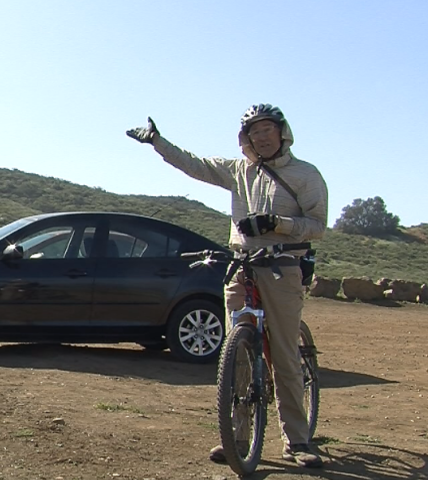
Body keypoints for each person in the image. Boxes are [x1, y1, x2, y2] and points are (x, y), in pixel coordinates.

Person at [127, 104, 328, 469]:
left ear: (282, 132)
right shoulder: (239, 171)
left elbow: (317, 225)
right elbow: (195, 164)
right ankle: (238, 438)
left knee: (282, 355)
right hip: (242, 265)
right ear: (245, 138)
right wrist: (158, 142)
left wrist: (277, 223)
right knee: (238, 356)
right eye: (254, 131)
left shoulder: (305, 175)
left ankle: (296, 440)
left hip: (282, 266)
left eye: (267, 129)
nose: (261, 137)